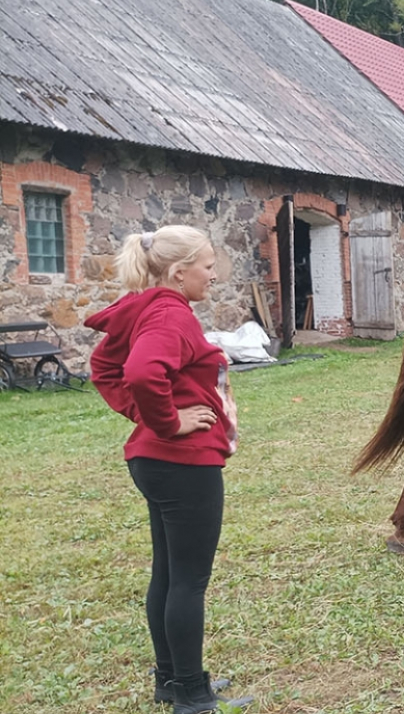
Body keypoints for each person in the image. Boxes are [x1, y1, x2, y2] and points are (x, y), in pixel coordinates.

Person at [84, 226, 254, 714]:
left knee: (170, 574)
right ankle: (192, 697)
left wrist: (146, 420)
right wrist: (168, 421)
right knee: (187, 582)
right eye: (207, 265)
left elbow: (104, 367)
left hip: (155, 461)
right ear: (179, 273)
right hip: (181, 463)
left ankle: (173, 681)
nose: (214, 274)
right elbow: (138, 372)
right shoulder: (169, 314)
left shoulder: (151, 308)